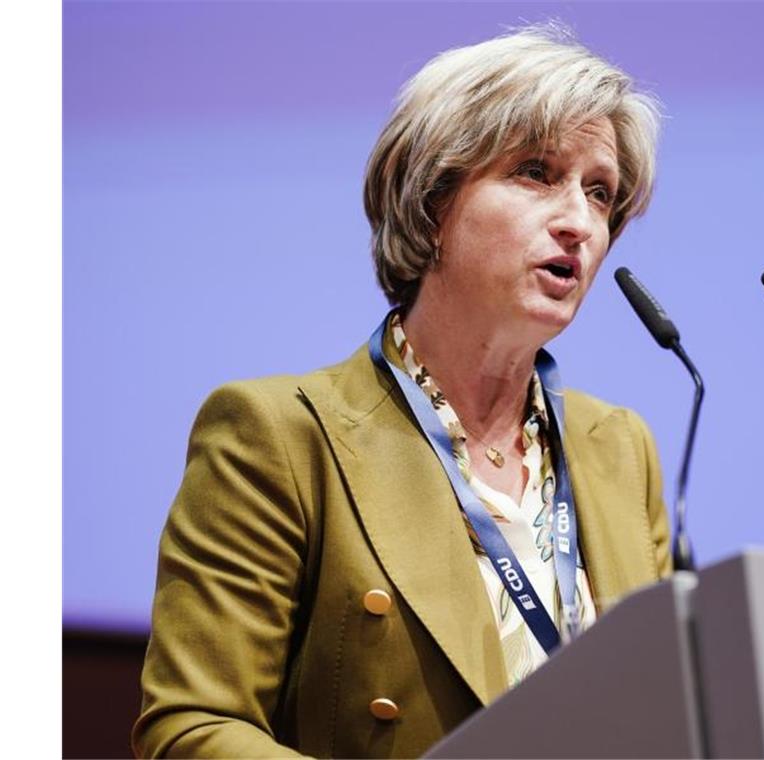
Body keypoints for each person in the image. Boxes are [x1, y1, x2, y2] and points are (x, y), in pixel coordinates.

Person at [132, 25, 670, 759]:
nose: (580, 221)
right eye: (537, 173)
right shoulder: (281, 435)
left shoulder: (620, 449)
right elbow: (190, 730)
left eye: (600, 191)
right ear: (432, 202)